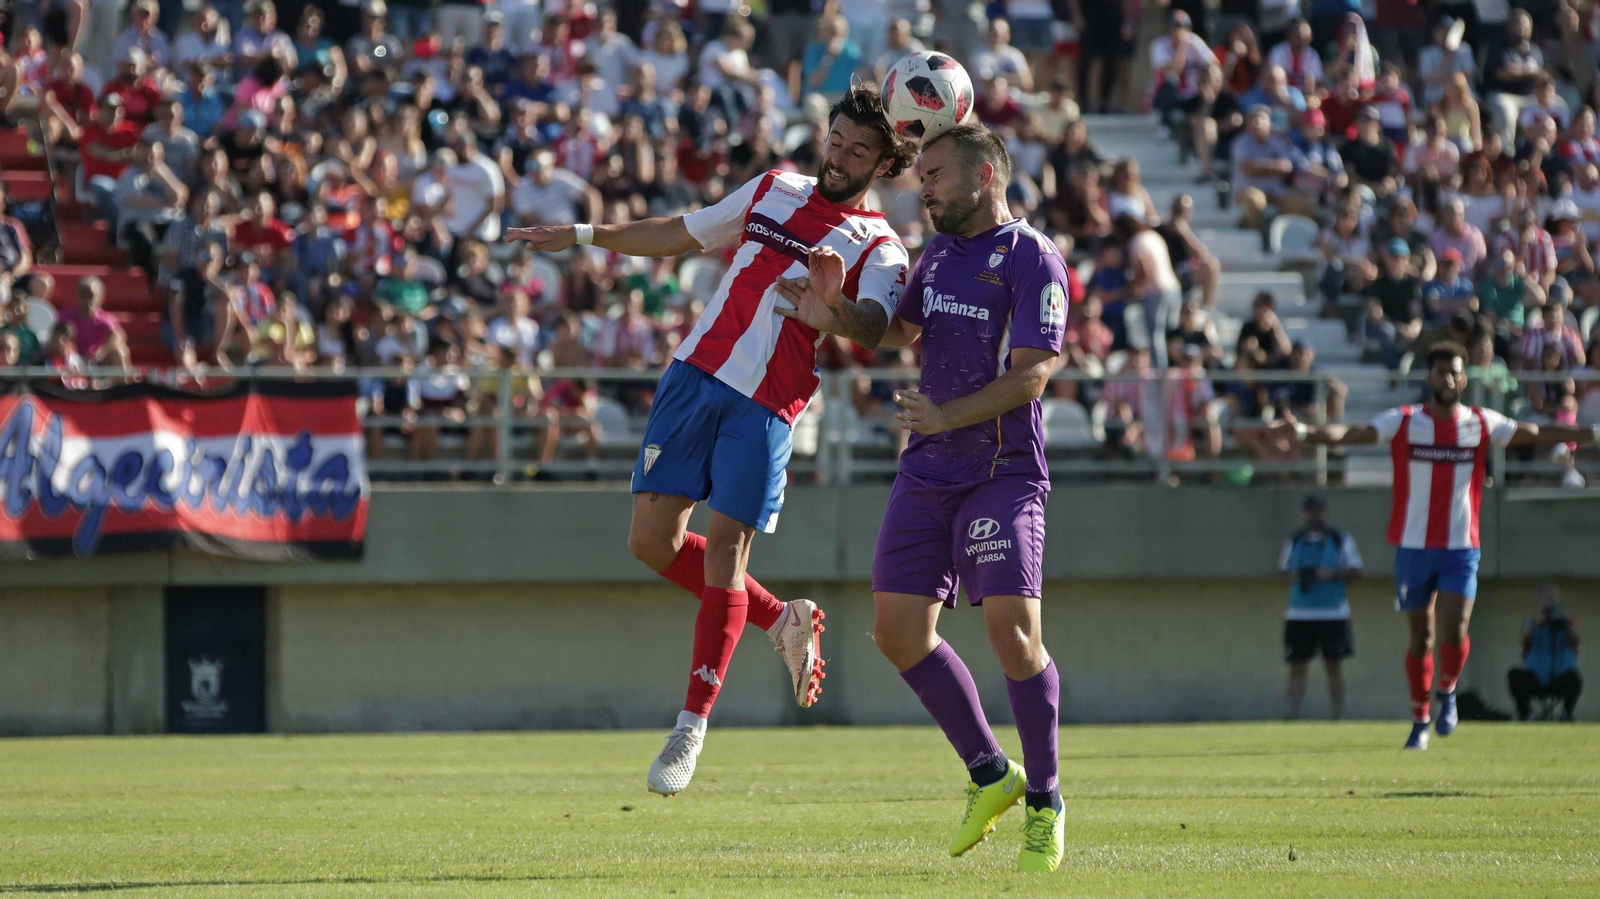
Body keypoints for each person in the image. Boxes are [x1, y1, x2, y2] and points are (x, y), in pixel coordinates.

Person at [507, 84, 917, 797]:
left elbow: (878, 325)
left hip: (767, 405)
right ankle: (780, 616)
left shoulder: (878, 243)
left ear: (884, 164)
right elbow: (679, 232)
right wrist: (583, 236)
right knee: (650, 543)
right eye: (837, 141)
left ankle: (689, 726)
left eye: (859, 152)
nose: (841, 157)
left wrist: (834, 308)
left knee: (726, 555)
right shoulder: (773, 188)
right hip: (692, 376)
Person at [780, 124, 1071, 873]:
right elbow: (899, 329)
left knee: (1013, 633)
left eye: (936, 173)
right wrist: (833, 311)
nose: (924, 185)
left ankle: (1045, 801)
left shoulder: (1032, 255)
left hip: (1001, 471)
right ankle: (989, 773)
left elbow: (1035, 372)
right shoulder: (938, 252)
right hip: (927, 470)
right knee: (897, 632)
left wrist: (946, 414)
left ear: (986, 174)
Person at [1267, 342, 1600, 750]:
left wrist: (1590, 431)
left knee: (1456, 630)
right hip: (1413, 547)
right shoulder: (1405, 420)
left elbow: (1533, 431)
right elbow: (1352, 432)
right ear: (1429, 377)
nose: (1448, 378)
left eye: (1455, 372)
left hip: (1461, 548)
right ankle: (1420, 717)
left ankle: (1447, 691)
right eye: (1440, 371)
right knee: (1421, 637)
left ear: (1464, 377)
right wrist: (1302, 432)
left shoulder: (1480, 422)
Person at [1279, 493, 1362, 720]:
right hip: (1299, 613)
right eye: (1310, 511)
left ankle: (1338, 714)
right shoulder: (1295, 540)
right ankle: (1291, 714)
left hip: (1333, 613)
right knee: (1297, 666)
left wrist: (1331, 574)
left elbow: (1356, 569)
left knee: (1333, 666)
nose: (1314, 516)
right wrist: (1303, 575)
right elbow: (1284, 571)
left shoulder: (1340, 539)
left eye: (1319, 511)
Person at [1508, 585, 1582, 721]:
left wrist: (1565, 622)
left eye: (1552, 599)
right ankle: (1526, 714)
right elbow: (1523, 638)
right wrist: (1538, 622)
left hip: (1561, 678)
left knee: (1575, 679)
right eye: (1544, 599)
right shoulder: (1531, 622)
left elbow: (1577, 638)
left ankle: (1566, 714)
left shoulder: (1567, 622)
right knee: (1514, 675)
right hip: (1535, 678)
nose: (1548, 603)